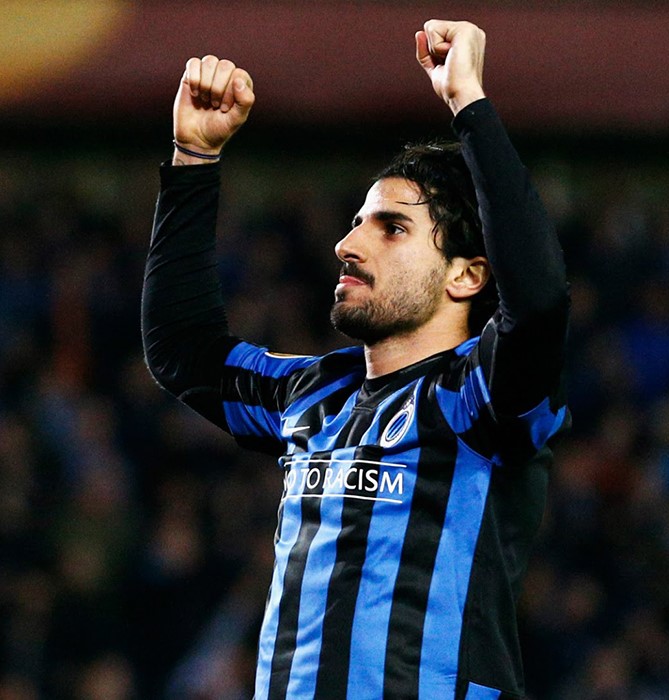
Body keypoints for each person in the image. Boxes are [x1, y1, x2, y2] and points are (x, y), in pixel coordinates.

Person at [142, 18, 570, 700]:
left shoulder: (479, 398)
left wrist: (469, 103)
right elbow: (182, 351)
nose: (348, 244)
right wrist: (193, 158)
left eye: (392, 227)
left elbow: (539, 303)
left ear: (466, 275)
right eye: (356, 222)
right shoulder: (313, 395)